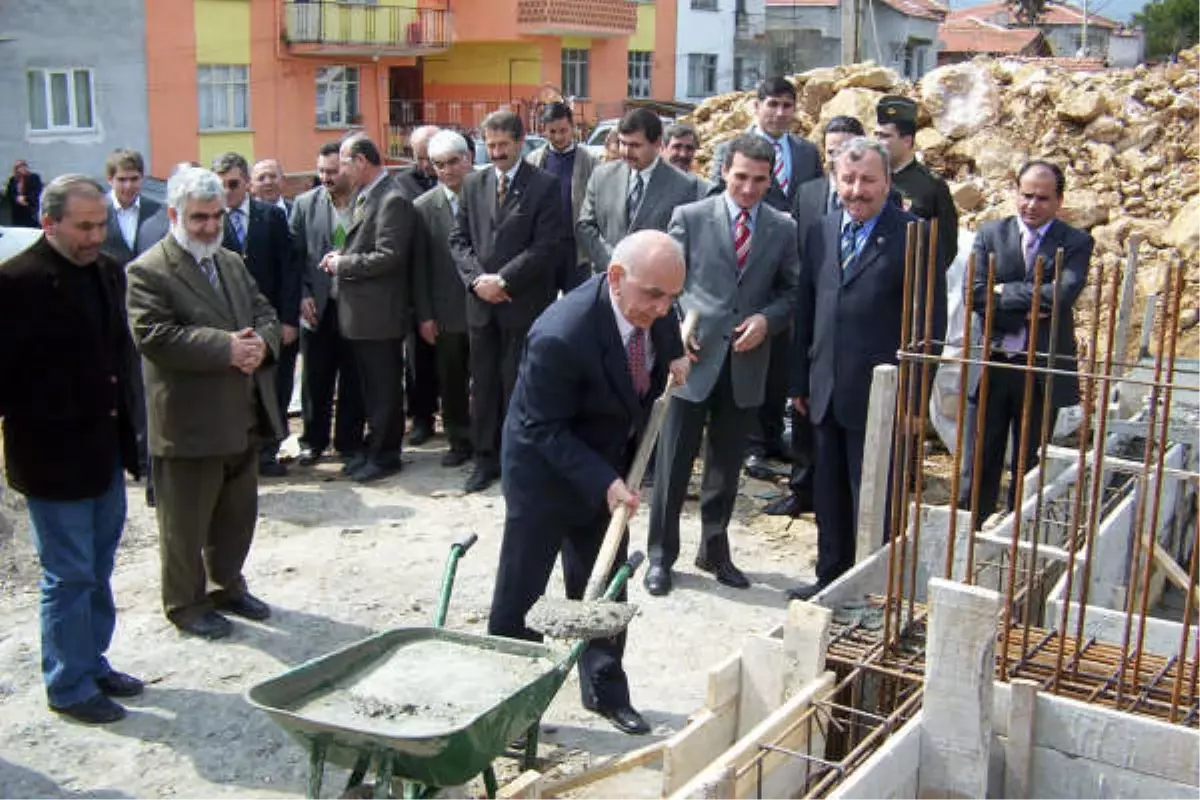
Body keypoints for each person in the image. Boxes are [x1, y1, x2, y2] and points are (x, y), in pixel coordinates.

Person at [488, 230, 689, 736]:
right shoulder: (562, 333)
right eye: (654, 296)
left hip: (607, 464)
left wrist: (676, 357)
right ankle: (510, 706)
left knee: (602, 592)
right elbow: (542, 427)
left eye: (673, 298)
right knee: (523, 592)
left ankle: (604, 690)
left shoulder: (653, 307)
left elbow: (663, 332)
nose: (664, 309)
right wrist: (604, 481)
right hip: (545, 471)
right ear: (617, 279)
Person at [0, 175, 144, 724]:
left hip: (104, 451)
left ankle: (93, 661)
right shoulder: (16, 283)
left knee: (99, 565)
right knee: (68, 573)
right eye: (84, 227)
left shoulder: (108, 272)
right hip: (52, 457)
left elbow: (119, 363)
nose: (95, 236)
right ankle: (68, 683)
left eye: (101, 225)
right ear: (49, 223)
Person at [126, 166, 284, 640]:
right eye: (199, 218)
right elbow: (153, 335)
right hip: (188, 421)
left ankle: (226, 586)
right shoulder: (149, 269)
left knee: (237, 515)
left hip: (240, 414)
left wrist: (263, 346)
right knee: (185, 524)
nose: (210, 227)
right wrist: (226, 347)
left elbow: (265, 312)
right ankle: (186, 603)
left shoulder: (230, 262)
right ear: (175, 215)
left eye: (216, 216)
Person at [788, 138, 945, 601]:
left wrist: (916, 400)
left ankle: (876, 590)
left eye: (868, 181)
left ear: (887, 182)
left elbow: (929, 323)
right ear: (835, 181)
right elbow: (807, 307)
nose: (857, 190)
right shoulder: (821, 230)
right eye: (848, 180)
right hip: (825, 388)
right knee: (830, 490)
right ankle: (830, 579)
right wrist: (800, 379)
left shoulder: (914, 234)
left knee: (877, 497)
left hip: (883, 397)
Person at [645, 135, 800, 597]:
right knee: (673, 466)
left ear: (771, 177)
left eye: (759, 179)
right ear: (723, 173)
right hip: (690, 362)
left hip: (746, 363)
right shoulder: (690, 218)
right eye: (740, 177)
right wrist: (677, 328)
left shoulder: (781, 227)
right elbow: (665, 285)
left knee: (725, 468)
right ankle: (660, 557)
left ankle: (714, 549)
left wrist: (766, 320)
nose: (749, 188)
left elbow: (792, 293)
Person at [958, 161, 1093, 530]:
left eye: (1042, 198)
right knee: (981, 453)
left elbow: (1063, 294)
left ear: (1059, 200)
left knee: (1029, 459)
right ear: (1015, 191)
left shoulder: (1076, 242)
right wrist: (1029, 306)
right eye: (1026, 195)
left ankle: (1016, 530)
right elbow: (974, 294)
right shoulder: (990, 235)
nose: (1032, 205)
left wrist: (1003, 294)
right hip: (995, 360)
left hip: (1040, 368)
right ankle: (972, 526)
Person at [712, 77, 822, 482]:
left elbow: (812, 202)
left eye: (787, 105)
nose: (779, 112)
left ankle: (775, 437)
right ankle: (752, 445)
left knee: (781, 361)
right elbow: (715, 201)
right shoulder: (734, 149)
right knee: (746, 362)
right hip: (746, 268)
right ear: (756, 106)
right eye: (772, 104)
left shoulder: (807, 152)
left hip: (789, 268)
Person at [449, 110, 564, 494]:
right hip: (481, 305)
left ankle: (518, 459)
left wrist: (504, 279)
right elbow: (459, 240)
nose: (496, 152)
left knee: (517, 383)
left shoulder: (544, 185)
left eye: (503, 145)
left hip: (523, 303)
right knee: (482, 385)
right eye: (490, 145)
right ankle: (485, 459)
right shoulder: (473, 183)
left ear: (519, 142)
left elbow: (547, 245)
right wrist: (478, 281)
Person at [762, 115, 865, 519]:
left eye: (848, 147)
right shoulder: (807, 193)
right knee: (803, 410)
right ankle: (801, 489)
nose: (840, 154)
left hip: (853, 325)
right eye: (833, 148)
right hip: (809, 314)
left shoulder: (872, 197)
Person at [321, 136, 421, 483]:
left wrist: (342, 264)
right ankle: (373, 449)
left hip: (380, 315)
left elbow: (389, 256)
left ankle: (386, 455)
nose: (341, 169)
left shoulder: (392, 199)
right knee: (368, 388)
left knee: (383, 390)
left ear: (361, 161)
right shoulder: (369, 195)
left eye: (345, 162)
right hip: (361, 316)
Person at [213, 152, 299, 477]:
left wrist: (288, 319)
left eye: (233, 184)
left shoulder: (270, 217)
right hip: (230, 322)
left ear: (246, 183)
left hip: (270, 319)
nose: (228, 192)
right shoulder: (212, 220)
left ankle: (268, 452)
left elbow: (288, 269)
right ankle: (239, 452)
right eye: (221, 186)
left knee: (274, 388)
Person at [101, 148, 169, 508]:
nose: (128, 185)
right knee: (116, 388)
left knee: (144, 387)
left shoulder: (157, 215)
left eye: (134, 178)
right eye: (121, 179)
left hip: (146, 315)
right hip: (108, 316)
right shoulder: (98, 215)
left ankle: (145, 458)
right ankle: (121, 454)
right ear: (110, 179)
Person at [291, 142, 366, 467]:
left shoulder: (366, 203)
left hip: (355, 306)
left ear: (348, 169)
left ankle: (349, 442)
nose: (326, 177)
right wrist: (302, 293)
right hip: (317, 307)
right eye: (321, 171)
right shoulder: (305, 204)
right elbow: (294, 257)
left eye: (333, 171)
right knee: (315, 379)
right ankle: (312, 441)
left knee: (353, 376)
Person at [577, 109, 705, 276]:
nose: (626, 152)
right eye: (623, 143)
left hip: (653, 285)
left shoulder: (684, 186)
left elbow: (682, 242)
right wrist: (613, 260)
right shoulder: (601, 176)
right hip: (607, 280)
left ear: (657, 143)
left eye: (635, 145)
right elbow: (585, 225)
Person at [414, 131, 475, 468]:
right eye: (439, 165)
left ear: (468, 159)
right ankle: (458, 440)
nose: (448, 171)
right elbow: (419, 268)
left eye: (454, 162)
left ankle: (487, 440)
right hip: (446, 311)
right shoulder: (422, 208)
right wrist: (424, 314)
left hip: (485, 307)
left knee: (488, 378)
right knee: (451, 380)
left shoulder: (488, 194)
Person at [393, 125, 442, 448]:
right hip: (417, 281)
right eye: (419, 157)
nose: (425, 164)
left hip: (451, 279)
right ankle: (421, 417)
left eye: (430, 157)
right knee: (418, 358)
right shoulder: (402, 184)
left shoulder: (457, 175)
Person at [875, 95, 958, 269]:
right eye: (876, 135)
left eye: (885, 136)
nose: (877, 142)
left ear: (906, 140)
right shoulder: (871, 178)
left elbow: (946, 247)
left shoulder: (931, 186)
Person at [527, 101, 598, 292]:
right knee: (543, 305)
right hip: (543, 246)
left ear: (572, 128)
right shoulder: (533, 161)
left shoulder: (589, 161)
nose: (558, 137)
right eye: (552, 132)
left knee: (576, 305)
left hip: (576, 248)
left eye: (563, 130)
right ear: (543, 130)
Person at [5, 159, 43, 228]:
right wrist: (16, 198)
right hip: (18, 212)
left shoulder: (34, 177)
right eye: (18, 167)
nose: (21, 169)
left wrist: (25, 198)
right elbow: (9, 193)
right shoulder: (13, 180)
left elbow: (37, 192)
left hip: (30, 210)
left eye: (23, 166)